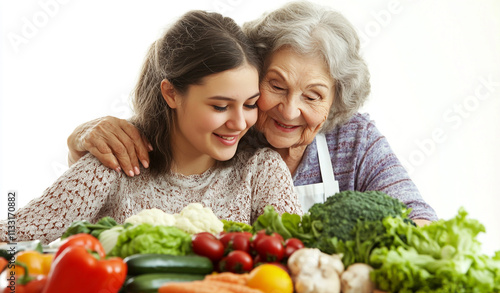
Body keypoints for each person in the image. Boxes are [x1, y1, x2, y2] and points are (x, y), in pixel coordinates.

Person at [67, 1, 438, 225]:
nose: (290, 110)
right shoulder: (224, 129)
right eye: (276, 86)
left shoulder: (354, 140)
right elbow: (133, 161)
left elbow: (417, 214)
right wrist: (82, 139)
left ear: (337, 100)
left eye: (313, 96)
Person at [0, 10, 301, 244]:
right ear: (171, 93)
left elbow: (297, 259)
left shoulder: (261, 171)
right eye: (220, 106)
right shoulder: (116, 160)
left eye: (250, 104)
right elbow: (10, 237)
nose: (239, 123)